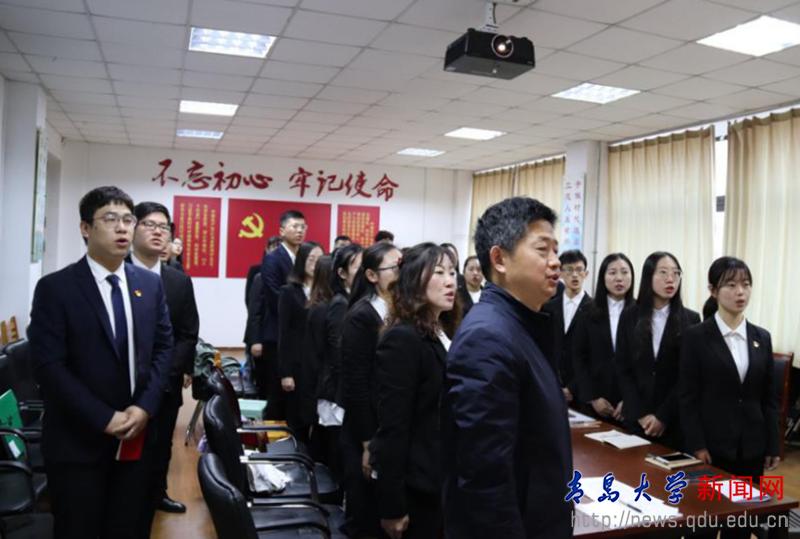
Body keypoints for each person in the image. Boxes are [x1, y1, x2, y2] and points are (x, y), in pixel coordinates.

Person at [28, 186, 173, 539]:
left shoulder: (149, 285)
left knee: (131, 527)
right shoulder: (56, 288)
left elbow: (162, 349)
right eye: (110, 219)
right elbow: (49, 367)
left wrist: (144, 407)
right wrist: (104, 417)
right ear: (85, 228)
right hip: (78, 443)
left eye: (128, 219)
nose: (122, 228)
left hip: (138, 438)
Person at [442, 196, 572, 539]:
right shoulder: (487, 338)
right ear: (499, 259)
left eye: (555, 250)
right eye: (542, 250)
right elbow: (485, 480)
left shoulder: (523, 324)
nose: (555, 262)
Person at [680, 257, 779, 539]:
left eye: (746, 285)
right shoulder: (696, 337)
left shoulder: (762, 337)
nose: (740, 292)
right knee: (703, 526)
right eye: (731, 285)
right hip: (711, 449)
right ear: (713, 290)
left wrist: (773, 444)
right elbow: (687, 397)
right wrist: (696, 444)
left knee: (740, 525)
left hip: (751, 448)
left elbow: (769, 398)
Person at [371, 243, 459, 539]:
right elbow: (393, 427)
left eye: (452, 272)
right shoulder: (403, 338)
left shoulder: (441, 330)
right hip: (417, 484)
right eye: (439, 273)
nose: (450, 281)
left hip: (442, 475)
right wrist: (392, 506)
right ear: (413, 280)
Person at [129, 202, 200, 522]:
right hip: (124, 381)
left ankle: (157, 493)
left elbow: (188, 333)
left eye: (164, 227)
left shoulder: (178, 281)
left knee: (160, 443)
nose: (158, 232)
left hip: (165, 382)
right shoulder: (117, 275)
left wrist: (169, 372)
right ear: (132, 228)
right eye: (149, 224)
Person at [339, 242, 402, 538]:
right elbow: (356, 385)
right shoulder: (362, 316)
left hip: (385, 426)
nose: (401, 273)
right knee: (365, 515)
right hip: (364, 430)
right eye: (394, 268)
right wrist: (367, 442)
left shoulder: (400, 310)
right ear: (372, 276)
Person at [616, 252, 700, 449]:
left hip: (673, 422)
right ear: (648, 277)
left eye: (676, 273)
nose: (671, 279)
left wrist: (662, 417)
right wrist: (640, 414)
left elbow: (687, 376)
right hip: (636, 420)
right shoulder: (629, 316)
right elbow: (623, 368)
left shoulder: (691, 320)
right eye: (663, 272)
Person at [318, 243, 363, 478]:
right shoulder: (340, 303)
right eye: (357, 266)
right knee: (336, 455)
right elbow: (338, 352)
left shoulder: (354, 300)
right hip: (336, 393)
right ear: (342, 273)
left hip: (342, 391)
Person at [572, 253, 635, 420]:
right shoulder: (587, 311)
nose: (619, 278)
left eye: (624, 272)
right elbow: (579, 357)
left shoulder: (642, 312)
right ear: (603, 277)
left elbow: (644, 364)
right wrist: (592, 397)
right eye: (612, 272)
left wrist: (630, 399)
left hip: (631, 405)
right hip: (594, 402)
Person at [258, 210, 307, 417]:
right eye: (294, 226)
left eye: (303, 227)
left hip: (300, 336)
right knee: (277, 391)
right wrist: (304, 311)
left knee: (296, 392)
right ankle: (273, 433)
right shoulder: (273, 259)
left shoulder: (304, 258)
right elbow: (274, 297)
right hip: (278, 333)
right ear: (281, 231)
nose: (299, 231)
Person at [277, 241, 323, 443]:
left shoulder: (326, 292)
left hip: (319, 364)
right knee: (298, 419)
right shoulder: (289, 291)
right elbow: (284, 333)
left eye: (320, 259)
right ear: (301, 261)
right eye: (311, 259)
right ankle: (298, 456)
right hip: (297, 364)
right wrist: (286, 373)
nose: (315, 264)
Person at [543, 250, 591, 403]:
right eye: (569, 270)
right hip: (550, 387)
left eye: (579, 270)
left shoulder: (595, 310)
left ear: (586, 274)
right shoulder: (548, 308)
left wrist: (572, 388)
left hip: (583, 392)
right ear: (560, 273)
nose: (575, 275)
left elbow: (594, 356)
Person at [245, 235, 282, 307]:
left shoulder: (288, 269)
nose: (276, 250)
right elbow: (249, 297)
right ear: (267, 249)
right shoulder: (255, 270)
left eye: (279, 248)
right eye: (273, 247)